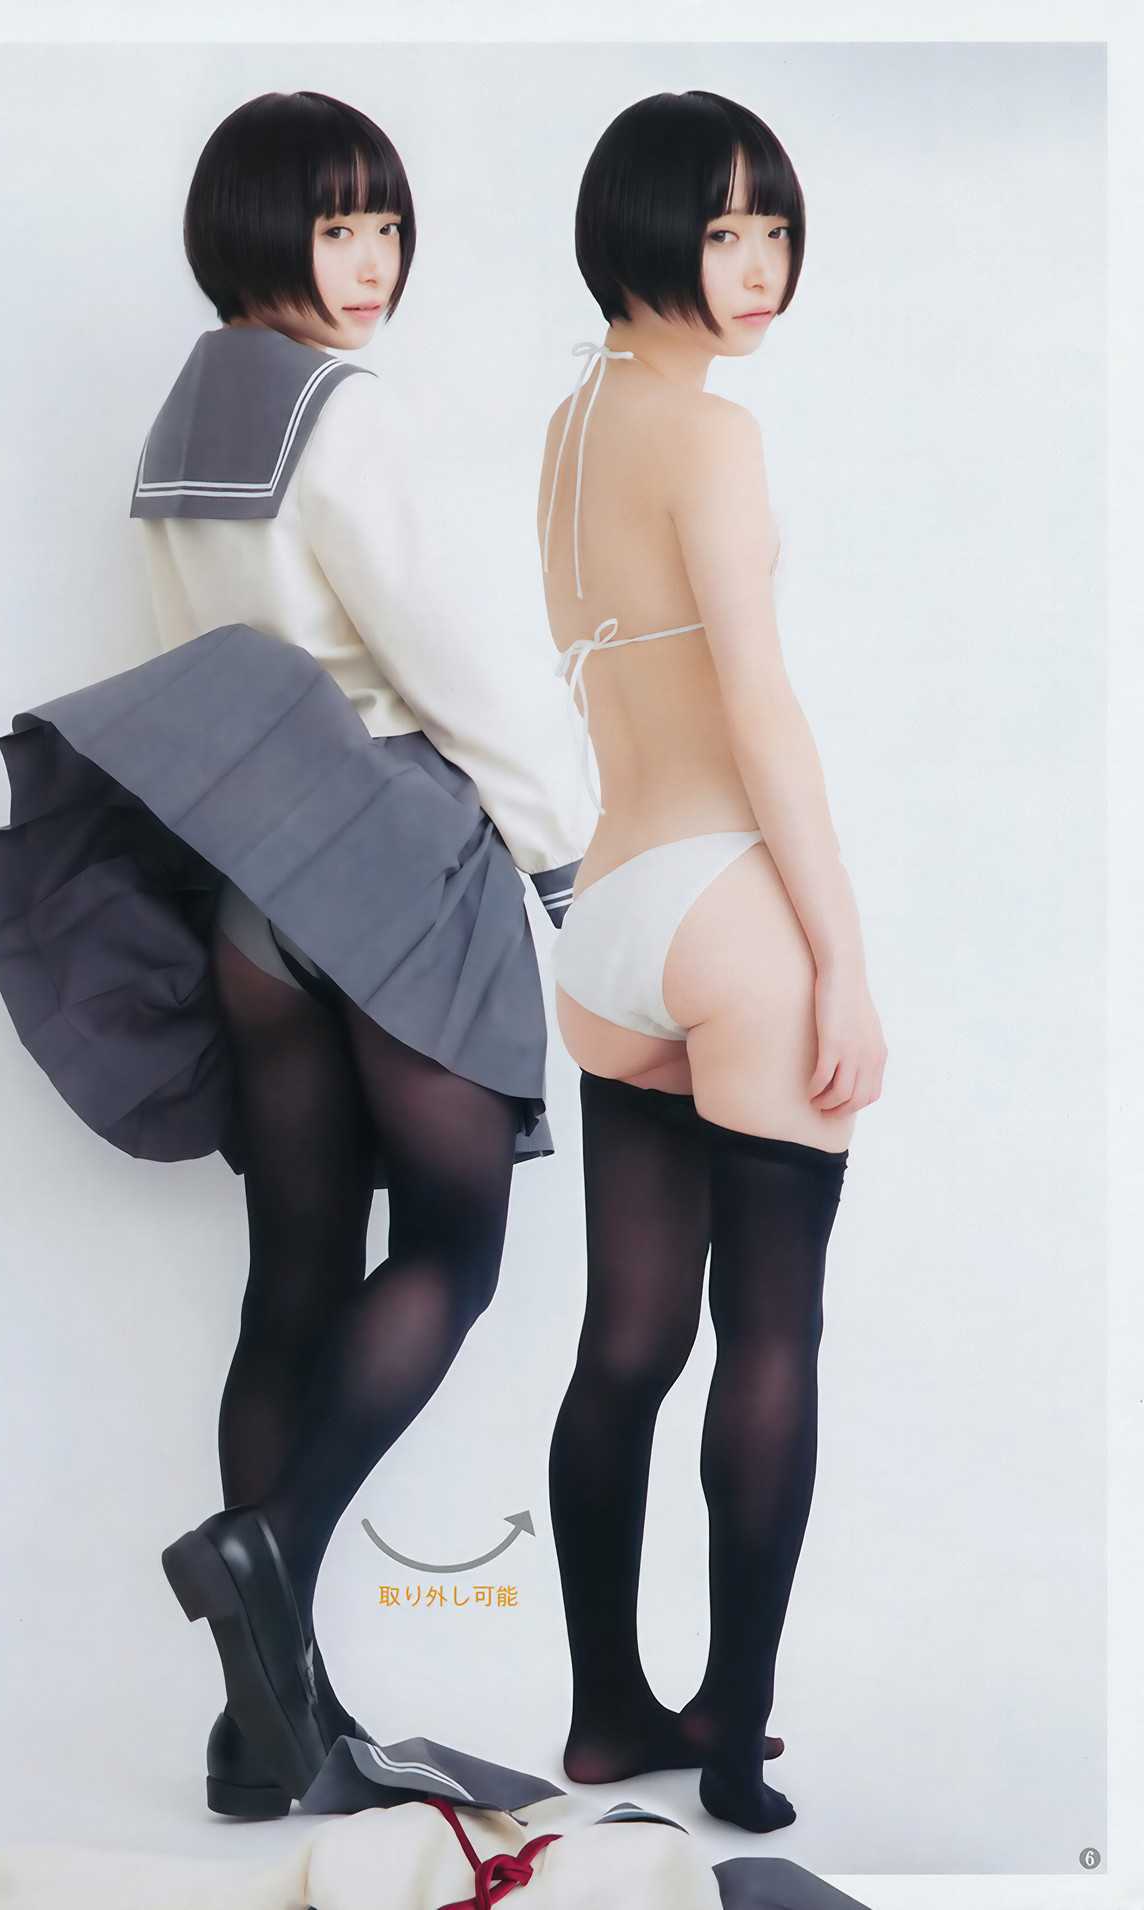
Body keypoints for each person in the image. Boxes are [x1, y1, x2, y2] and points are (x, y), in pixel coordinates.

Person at [0, 90, 589, 1820]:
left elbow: (193, 669)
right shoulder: (345, 412)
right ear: (258, 230)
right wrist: (560, 843)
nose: (372, 261)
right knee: (453, 1250)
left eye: (386, 224)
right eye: (336, 227)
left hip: (254, 885)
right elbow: (455, 658)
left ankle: (266, 1730)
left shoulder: (186, 415)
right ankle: (274, 1546)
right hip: (389, 851)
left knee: (294, 1283)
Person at [537, 91, 886, 1834]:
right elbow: (758, 709)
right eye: (723, 228)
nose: (757, 266)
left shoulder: (572, 427)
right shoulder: (712, 432)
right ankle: (734, 1740)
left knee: (626, 1340)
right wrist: (844, 959)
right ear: (643, 229)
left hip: (609, 912)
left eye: (774, 230)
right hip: (727, 907)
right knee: (770, 1333)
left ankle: (608, 1713)